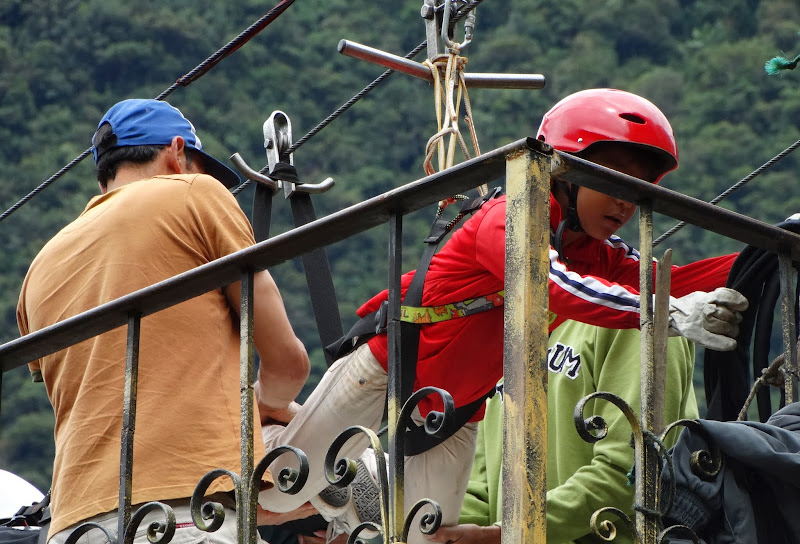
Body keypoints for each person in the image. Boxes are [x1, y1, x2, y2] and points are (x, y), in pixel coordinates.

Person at [256, 89, 747, 544]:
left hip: (454, 411)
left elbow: (669, 280)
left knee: (424, 537)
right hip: (389, 368)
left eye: (637, 189)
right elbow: (553, 285)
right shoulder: (508, 216)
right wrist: (670, 313)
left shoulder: (597, 253)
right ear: (566, 173)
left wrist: (764, 253)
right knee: (276, 493)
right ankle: (288, 440)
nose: (624, 200)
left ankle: (349, 484)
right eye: (612, 179)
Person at [17, 99, 312, 544]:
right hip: (181, 514)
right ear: (178, 151)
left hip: (72, 523)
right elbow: (288, 366)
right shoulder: (195, 193)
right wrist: (266, 403)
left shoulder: (39, 268)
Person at [432, 320, 698, 544]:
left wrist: (511, 531)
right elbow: (483, 488)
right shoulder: (514, 322)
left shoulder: (633, 314)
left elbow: (630, 476)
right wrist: (426, 524)